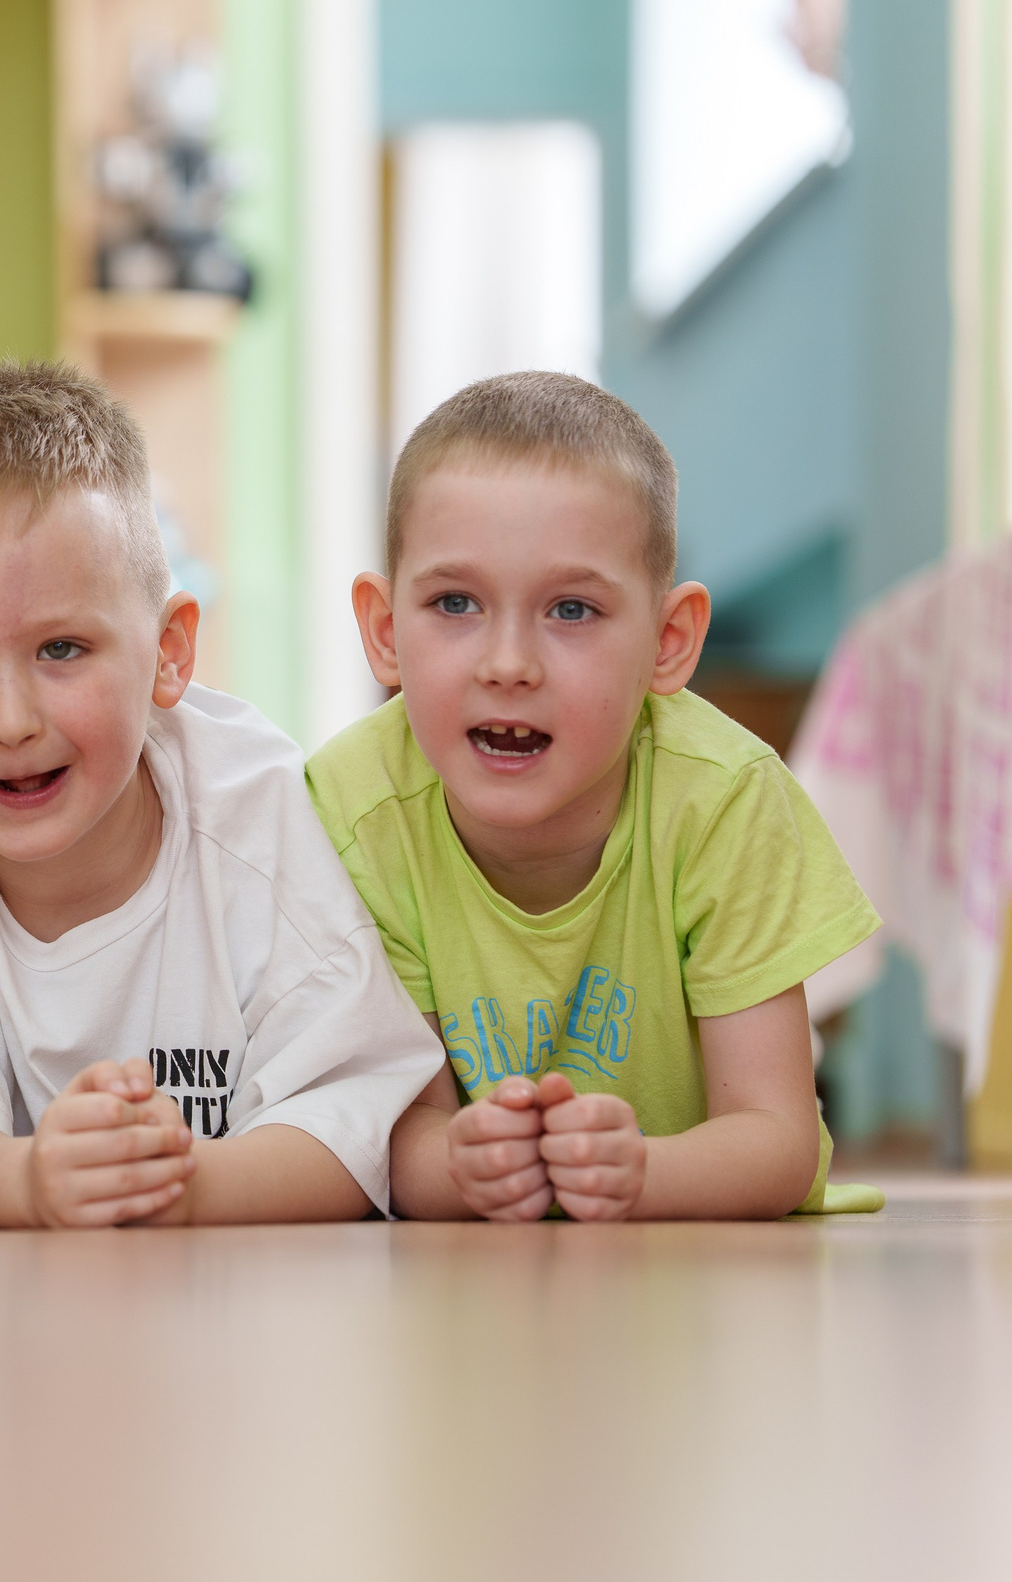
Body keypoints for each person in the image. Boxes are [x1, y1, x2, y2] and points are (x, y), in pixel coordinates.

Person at [0, 361, 439, 1228]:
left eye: (61, 650)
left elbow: (351, 1133)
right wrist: (33, 1185)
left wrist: (171, 1187)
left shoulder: (257, 809)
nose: (11, 721)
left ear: (170, 650)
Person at [306, 371, 881, 1221]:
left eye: (571, 609)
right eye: (454, 602)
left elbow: (778, 1139)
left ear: (668, 640)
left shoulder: (725, 802)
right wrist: (459, 1165)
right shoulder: (354, 812)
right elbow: (388, 1138)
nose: (508, 662)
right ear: (385, 631)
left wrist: (638, 1174)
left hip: (716, 1276)